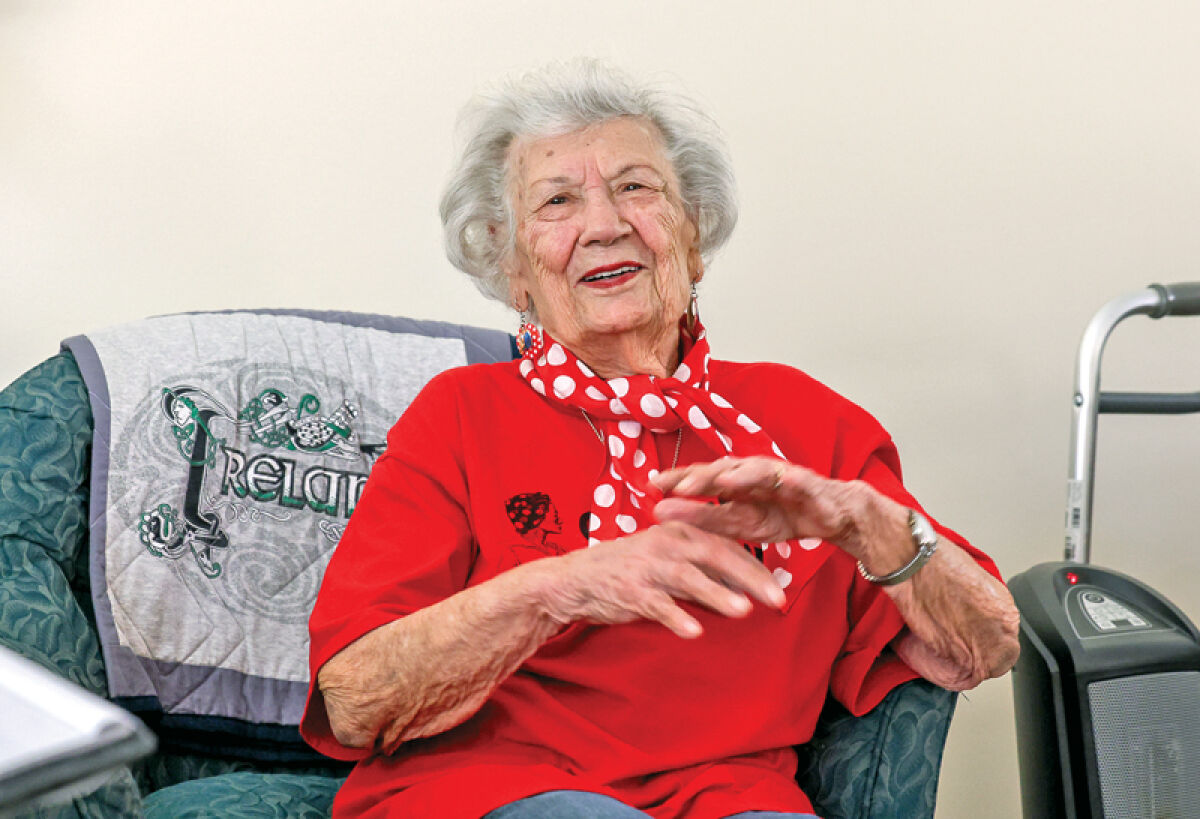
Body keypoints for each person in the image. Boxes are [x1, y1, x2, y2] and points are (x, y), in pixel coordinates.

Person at [300, 60, 1020, 819]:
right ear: (514, 271)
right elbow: (354, 701)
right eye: (557, 201)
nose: (606, 224)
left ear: (694, 236)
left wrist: (869, 522)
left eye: (637, 188)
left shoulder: (806, 421)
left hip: (735, 796)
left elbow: (983, 647)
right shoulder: (460, 414)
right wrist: (563, 585)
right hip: (490, 791)